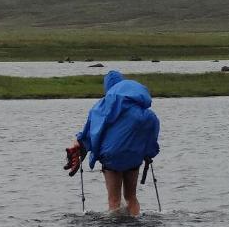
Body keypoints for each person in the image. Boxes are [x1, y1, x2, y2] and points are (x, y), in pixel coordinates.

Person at [65, 70, 160, 216]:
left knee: (114, 200)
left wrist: (78, 142)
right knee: (131, 197)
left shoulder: (102, 108)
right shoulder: (142, 112)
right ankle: (135, 224)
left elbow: (90, 132)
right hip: (134, 158)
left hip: (112, 158)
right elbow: (151, 129)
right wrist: (149, 151)